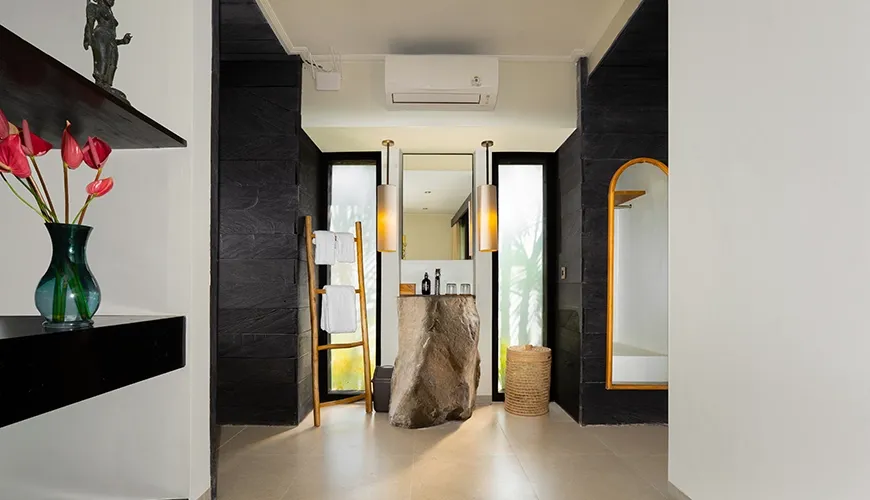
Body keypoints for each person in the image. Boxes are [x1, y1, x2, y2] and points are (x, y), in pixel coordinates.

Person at [83, 0, 132, 99]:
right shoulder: (95, 7)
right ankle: (99, 83)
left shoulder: (109, 12)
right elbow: (89, 23)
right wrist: (88, 37)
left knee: (112, 64)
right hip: (101, 35)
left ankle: (106, 86)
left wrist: (122, 41)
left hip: (111, 40)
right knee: (103, 62)